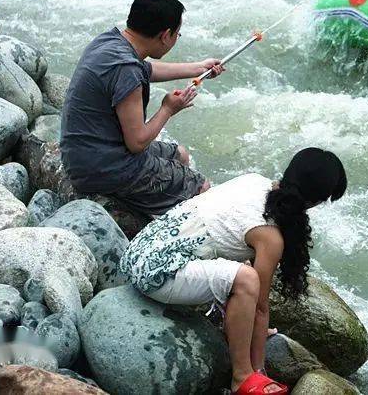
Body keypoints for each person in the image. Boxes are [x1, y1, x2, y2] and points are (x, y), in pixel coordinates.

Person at [120, 147, 347, 395]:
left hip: (137, 253)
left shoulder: (253, 181)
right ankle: (243, 377)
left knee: (243, 277)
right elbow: (260, 306)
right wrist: (261, 370)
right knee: (248, 281)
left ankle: (235, 332)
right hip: (157, 275)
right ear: (314, 201)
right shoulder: (270, 236)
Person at [61, 0, 226, 218]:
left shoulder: (110, 42)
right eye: (177, 34)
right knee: (201, 188)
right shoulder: (126, 69)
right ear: (166, 35)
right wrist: (168, 109)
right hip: (103, 168)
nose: (176, 38)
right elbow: (137, 142)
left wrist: (199, 68)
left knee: (181, 155)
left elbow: (147, 70)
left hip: (86, 153)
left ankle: (163, 203)